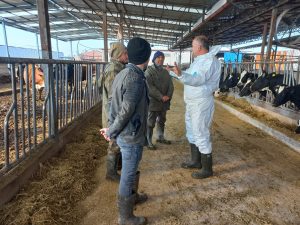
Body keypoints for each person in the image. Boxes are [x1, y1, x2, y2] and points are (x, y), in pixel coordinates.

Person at [100, 37, 151, 225]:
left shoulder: (123, 73)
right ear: (147, 57)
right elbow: (126, 110)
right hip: (131, 134)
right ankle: (125, 217)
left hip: (126, 132)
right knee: (128, 173)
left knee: (132, 168)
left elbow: (113, 103)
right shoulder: (135, 79)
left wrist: (111, 126)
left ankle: (133, 197)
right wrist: (111, 130)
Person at [167, 35, 221, 179]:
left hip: (201, 102)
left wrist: (181, 75)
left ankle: (207, 169)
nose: (191, 49)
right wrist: (174, 72)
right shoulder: (199, 61)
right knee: (191, 131)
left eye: (192, 46)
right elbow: (190, 75)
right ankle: (196, 161)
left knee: (201, 132)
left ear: (199, 47)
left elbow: (198, 79)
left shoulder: (209, 62)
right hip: (192, 102)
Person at [102, 42, 128, 181]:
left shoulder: (120, 67)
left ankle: (117, 166)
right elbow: (113, 96)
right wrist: (115, 118)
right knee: (114, 142)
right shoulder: (113, 70)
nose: (127, 55)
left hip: (117, 111)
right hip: (113, 112)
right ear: (118, 55)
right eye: (125, 53)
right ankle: (110, 173)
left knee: (118, 140)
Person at [145, 51, 174, 150]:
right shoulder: (149, 71)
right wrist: (161, 96)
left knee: (162, 120)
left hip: (164, 102)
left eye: (162, 57)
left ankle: (160, 137)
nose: (161, 59)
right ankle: (148, 140)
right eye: (158, 57)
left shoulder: (166, 72)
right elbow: (150, 87)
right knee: (150, 122)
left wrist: (168, 96)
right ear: (154, 59)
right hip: (153, 102)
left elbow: (171, 85)